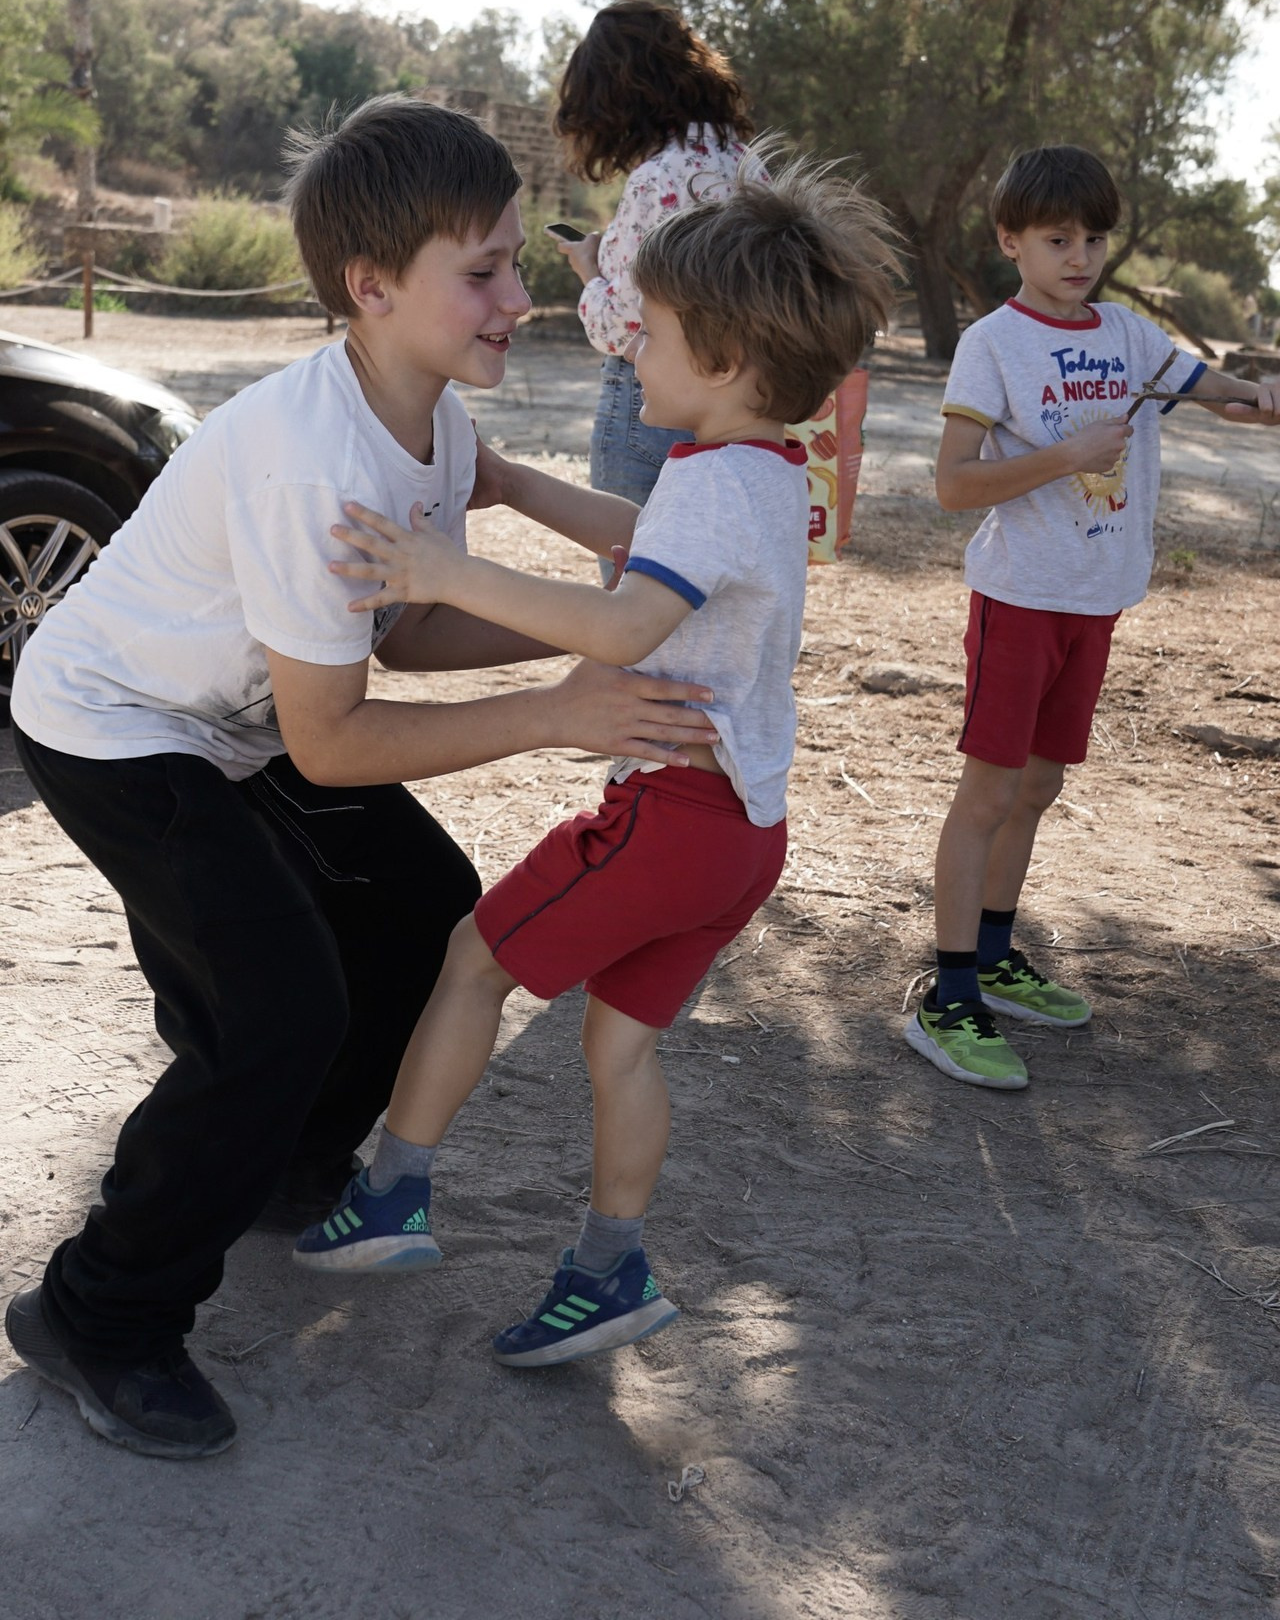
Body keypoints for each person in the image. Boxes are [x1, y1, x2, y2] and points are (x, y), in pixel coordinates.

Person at [2, 95, 722, 1460]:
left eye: (517, 262)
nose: (523, 298)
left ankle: (282, 1163)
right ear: (372, 287)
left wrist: (599, 622)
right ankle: (97, 1312)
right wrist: (556, 706)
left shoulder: (432, 423)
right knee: (273, 1003)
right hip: (118, 725)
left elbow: (397, 630)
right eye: (486, 272)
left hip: (246, 715)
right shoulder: (311, 456)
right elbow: (334, 737)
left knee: (421, 912)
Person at [293, 151, 899, 1368]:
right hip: (744, 837)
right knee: (618, 1044)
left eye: (655, 334)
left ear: (723, 362)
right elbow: (642, 541)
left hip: (668, 814)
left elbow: (624, 626)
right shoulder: (763, 470)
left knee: (471, 961)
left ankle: (391, 1198)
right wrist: (511, 486)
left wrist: (441, 572)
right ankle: (609, 1268)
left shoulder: (713, 487)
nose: (630, 351)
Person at [905, 144, 1280, 1092]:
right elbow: (953, 486)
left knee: (1038, 790)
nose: (1080, 255)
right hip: (1021, 599)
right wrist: (1066, 454)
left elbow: (1209, 390)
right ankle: (946, 995)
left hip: (1094, 600)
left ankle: (994, 953)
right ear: (1010, 242)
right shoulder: (994, 342)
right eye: (1056, 238)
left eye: (1094, 237)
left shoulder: (1126, 333)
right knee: (987, 797)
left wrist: (1257, 395)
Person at [550, 0, 755, 512]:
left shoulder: (656, 178)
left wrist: (589, 271)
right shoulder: (745, 165)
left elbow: (621, 330)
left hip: (652, 408)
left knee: (630, 581)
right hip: (735, 406)